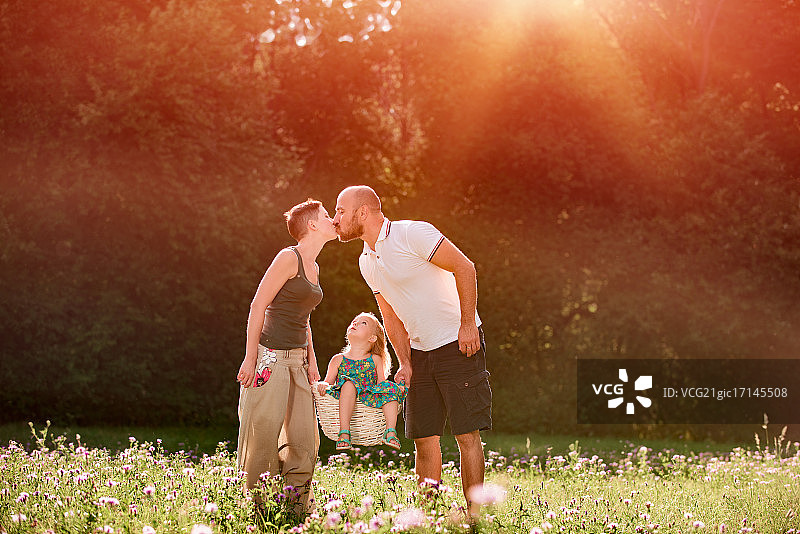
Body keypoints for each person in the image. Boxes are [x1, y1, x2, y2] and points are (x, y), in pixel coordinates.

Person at [333, 185, 492, 517]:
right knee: (423, 438)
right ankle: (430, 517)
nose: (336, 219)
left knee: (466, 434)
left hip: (457, 343)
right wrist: (405, 361)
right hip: (420, 353)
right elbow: (389, 315)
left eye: (340, 211)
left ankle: (475, 517)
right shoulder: (366, 261)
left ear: (363, 212)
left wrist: (466, 324)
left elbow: (465, 268)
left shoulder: (412, 233)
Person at [235, 199, 336, 516]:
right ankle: (259, 511)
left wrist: (313, 362)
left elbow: (304, 320)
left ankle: (295, 512)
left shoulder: (314, 268)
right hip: (270, 359)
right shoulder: (288, 258)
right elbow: (257, 306)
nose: (332, 219)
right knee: (263, 436)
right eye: (325, 215)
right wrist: (251, 358)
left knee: (305, 437)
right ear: (313, 225)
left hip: (298, 362)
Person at [316, 312, 407, 450]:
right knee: (349, 384)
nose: (355, 323)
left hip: (369, 396)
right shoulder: (338, 359)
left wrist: (395, 389)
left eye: (363, 323)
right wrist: (323, 384)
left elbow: (381, 384)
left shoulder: (375, 359)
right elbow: (328, 382)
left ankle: (390, 431)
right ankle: (344, 432)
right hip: (345, 395)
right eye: (354, 321)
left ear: (372, 338)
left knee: (390, 388)